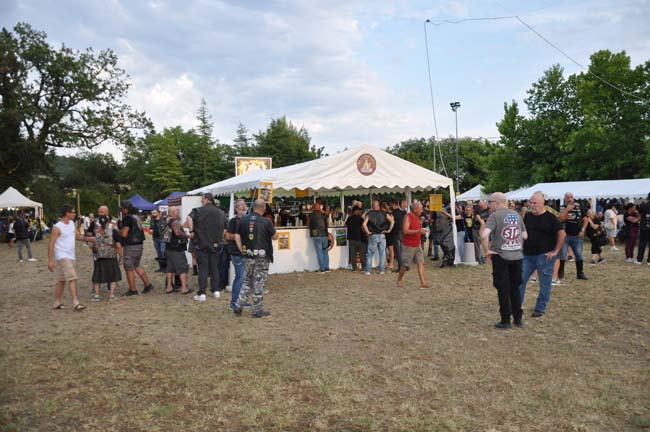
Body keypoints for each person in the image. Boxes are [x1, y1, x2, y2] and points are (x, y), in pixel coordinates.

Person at [481, 192, 527, 329]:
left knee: (503, 289)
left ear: (497, 203)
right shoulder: (516, 215)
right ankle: (518, 319)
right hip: (517, 256)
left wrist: (487, 251)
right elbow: (525, 235)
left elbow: (484, 235)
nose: (489, 205)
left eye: (490, 202)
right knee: (515, 288)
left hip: (501, 256)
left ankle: (505, 320)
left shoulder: (495, 216)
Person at [519, 191, 566, 318]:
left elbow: (562, 234)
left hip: (544, 256)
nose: (531, 205)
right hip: (527, 255)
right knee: (519, 281)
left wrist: (555, 251)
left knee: (545, 283)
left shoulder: (551, 218)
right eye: (530, 203)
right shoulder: (528, 216)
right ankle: (517, 306)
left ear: (542, 203)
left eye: (534, 203)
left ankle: (540, 308)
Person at [233, 199, 278, 317]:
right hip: (262, 256)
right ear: (263, 208)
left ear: (253, 207)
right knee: (259, 282)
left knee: (246, 280)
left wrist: (242, 250)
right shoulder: (266, 221)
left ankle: (238, 305)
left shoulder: (243, 220)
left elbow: (237, 236)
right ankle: (256, 310)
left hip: (248, 254)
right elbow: (275, 237)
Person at [47, 204, 91, 311]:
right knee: (72, 277)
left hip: (71, 255)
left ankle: (57, 302)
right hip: (62, 255)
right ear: (67, 213)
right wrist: (50, 261)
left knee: (62, 279)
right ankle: (76, 302)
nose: (75, 214)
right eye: (73, 212)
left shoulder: (71, 224)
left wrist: (89, 239)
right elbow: (51, 244)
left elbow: (77, 236)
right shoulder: (57, 227)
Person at [193, 193, 227, 301]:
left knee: (203, 268)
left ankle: (202, 293)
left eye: (202, 199)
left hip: (202, 243)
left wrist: (192, 231)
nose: (201, 201)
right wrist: (219, 238)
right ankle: (216, 291)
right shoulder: (220, 212)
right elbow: (225, 228)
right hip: (215, 244)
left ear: (207, 199)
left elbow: (189, 218)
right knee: (214, 268)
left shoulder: (198, 210)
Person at [119, 200, 154, 296]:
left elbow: (124, 233)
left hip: (131, 245)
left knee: (128, 267)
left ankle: (133, 289)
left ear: (126, 209)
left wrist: (119, 231)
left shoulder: (127, 218)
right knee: (136, 265)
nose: (121, 210)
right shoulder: (136, 217)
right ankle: (147, 284)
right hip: (139, 244)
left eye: (122, 209)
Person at [89, 207, 122, 301]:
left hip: (99, 255)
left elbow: (91, 239)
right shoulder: (113, 228)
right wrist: (121, 256)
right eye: (99, 211)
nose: (100, 213)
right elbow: (118, 244)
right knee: (113, 275)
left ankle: (96, 295)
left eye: (101, 212)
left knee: (97, 275)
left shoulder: (96, 230)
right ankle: (111, 295)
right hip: (111, 255)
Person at [397, 202, 429, 288]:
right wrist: (418, 231)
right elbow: (405, 231)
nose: (422, 211)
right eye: (420, 209)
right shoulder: (407, 217)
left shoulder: (417, 217)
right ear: (415, 209)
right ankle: (399, 279)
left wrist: (421, 230)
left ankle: (423, 282)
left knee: (421, 262)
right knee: (405, 265)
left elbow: (416, 228)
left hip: (417, 244)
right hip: (408, 245)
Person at [558, 192, 588, 281]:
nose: (570, 199)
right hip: (565, 235)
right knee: (563, 255)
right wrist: (567, 209)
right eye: (568, 197)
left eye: (571, 197)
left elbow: (586, 219)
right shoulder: (562, 207)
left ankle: (580, 273)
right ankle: (560, 273)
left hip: (577, 235)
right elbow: (561, 218)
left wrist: (582, 230)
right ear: (564, 199)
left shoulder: (579, 207)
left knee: (579, 254)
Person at [225, 199, 247, 310]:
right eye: (240, 205)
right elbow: (228, 236)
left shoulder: (248, 219)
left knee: (244, 278)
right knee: (239, 277)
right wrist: (239, 236)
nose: (243, 207)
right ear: (236, 209)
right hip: (236, 253)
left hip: (247, 253)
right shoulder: (233, 221)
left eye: (244, 205)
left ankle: (241, 301)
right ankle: (234, 302)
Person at [164, 206, 192, 295]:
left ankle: (169, 287)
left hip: (168, 248)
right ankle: (184, 288)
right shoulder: (175, 222)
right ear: (172, 213)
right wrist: (188, 236)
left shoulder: (167, 221)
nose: (178, 211)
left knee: (170, 268)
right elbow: (177, 232)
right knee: (182, 268)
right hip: (177, 249)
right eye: (177, 210)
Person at [362, 199, 394, 275]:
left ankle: (368, 270)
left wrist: (368, 232)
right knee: (382, 253)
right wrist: (389, 230)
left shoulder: (369, 214)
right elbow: (392, 221)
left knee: (370, 254)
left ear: (372, 206)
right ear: (378, 206)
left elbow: (364, 224)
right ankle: (382, 270)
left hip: (373, 235)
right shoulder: (384, 213)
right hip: (382, 235)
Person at [309, 199, 330, 273]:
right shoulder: (324, 215)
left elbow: (308, 223)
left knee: (319, 252)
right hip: (324, 234)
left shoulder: (311, 215)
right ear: (319, 208)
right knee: (325, 251)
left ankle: (322, 269)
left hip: (316, 234)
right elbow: (328, 223)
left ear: (314, 208)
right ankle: (327, 268)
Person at [345, 205, 367, 272]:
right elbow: (363, 227)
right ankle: (363, 267)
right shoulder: (360, 219)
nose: (360, 212)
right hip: (360, 238)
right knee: (362, 254)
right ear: (356, 211)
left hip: (351, 239)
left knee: (353, 254)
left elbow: (345, 225)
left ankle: (354, 268)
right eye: (359, 210)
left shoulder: (349, 218)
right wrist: (366, 233)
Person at [636, 193, 650, 265]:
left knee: (642, 244)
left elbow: (639, 215)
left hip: (644, 227)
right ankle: (649, 261)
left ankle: (639, 260)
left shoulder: (643, 205)